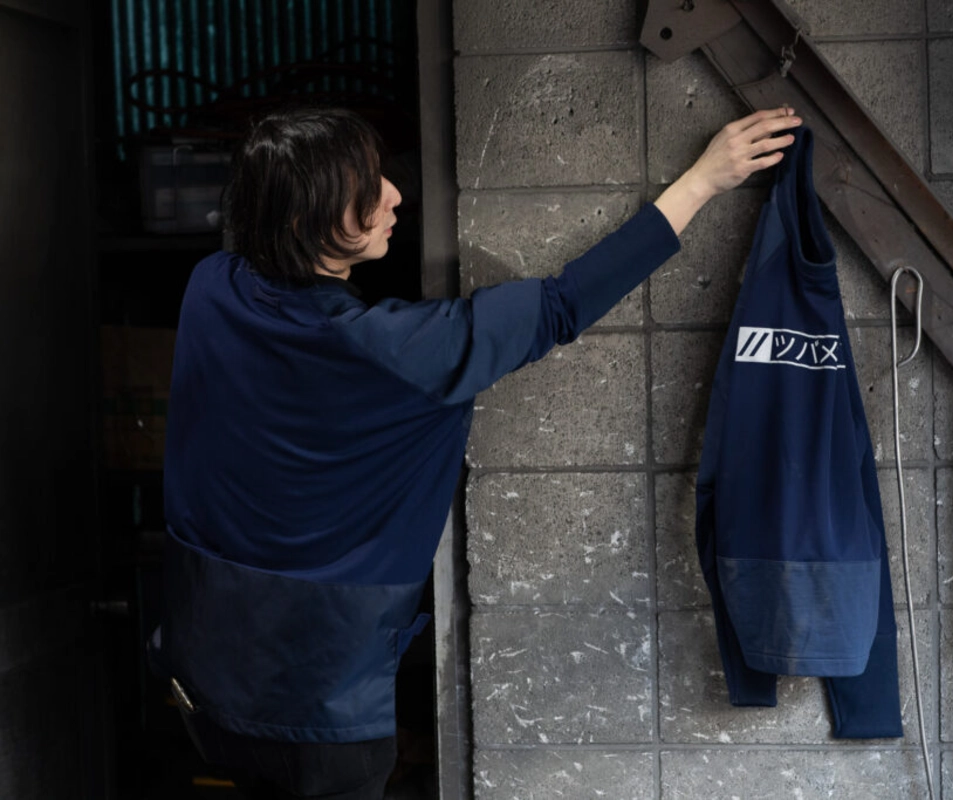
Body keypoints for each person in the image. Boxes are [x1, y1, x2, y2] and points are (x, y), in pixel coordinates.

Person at [150, 104, 802, 799]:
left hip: (206, 683)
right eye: (364, 189)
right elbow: (562, 304)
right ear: (300, 220)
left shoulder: (209, 288)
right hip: (321, 713)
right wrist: (702, 181)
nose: (393, 195)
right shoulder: (401, 351)